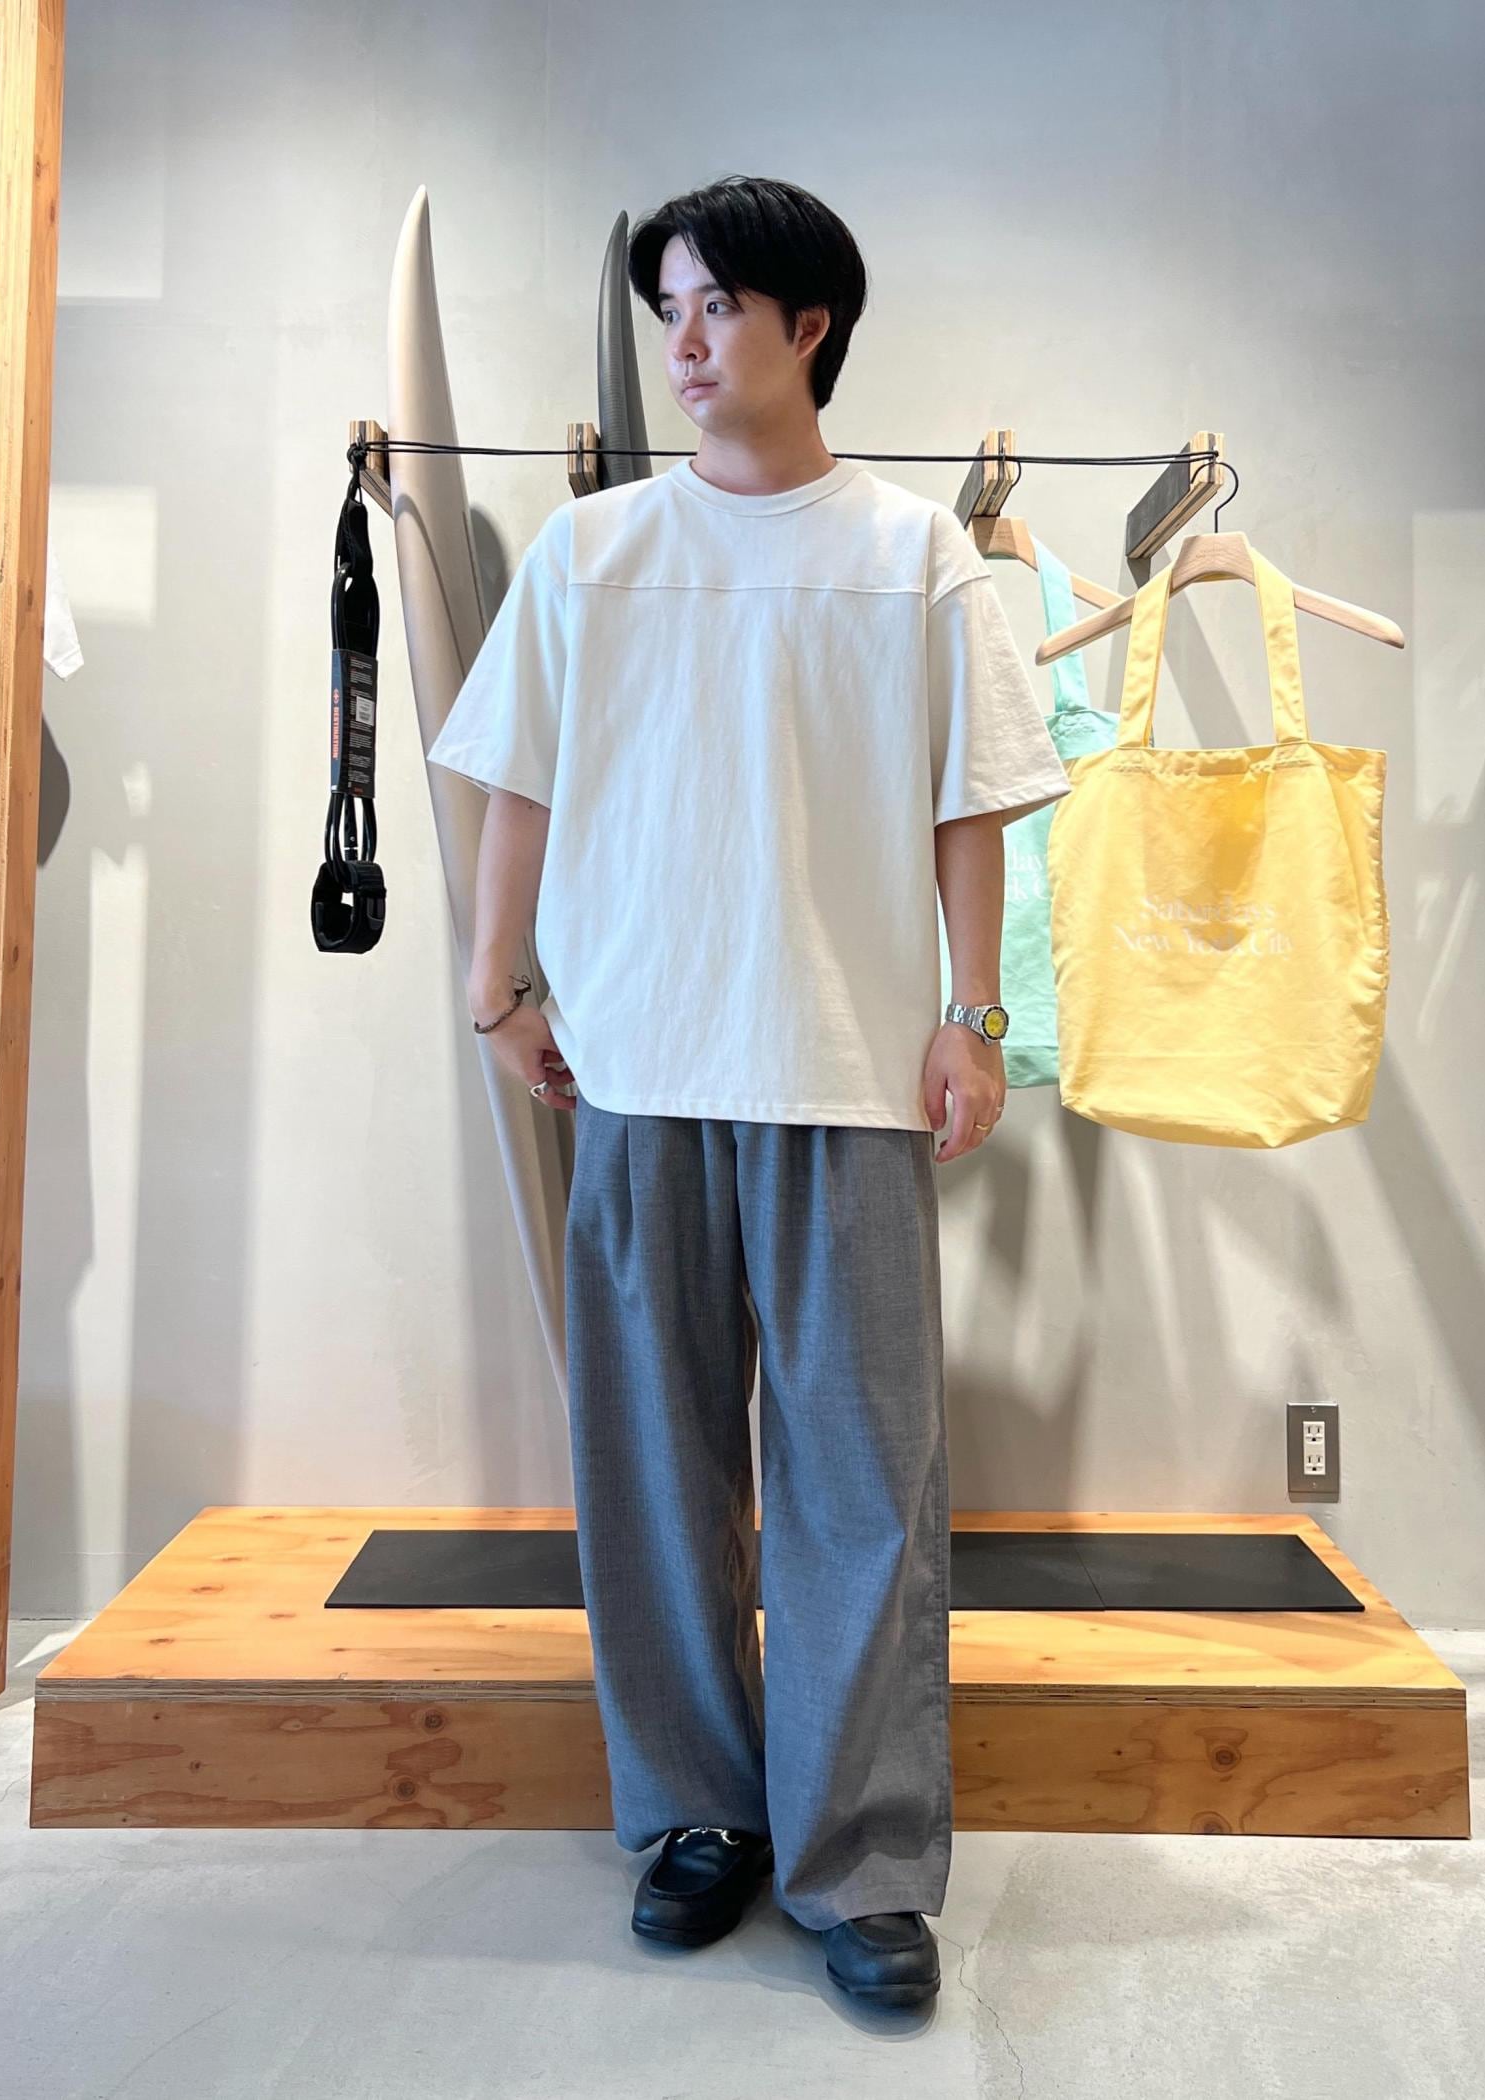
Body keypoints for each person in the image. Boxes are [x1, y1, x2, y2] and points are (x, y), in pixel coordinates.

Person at [426, 174, 1072, 2011]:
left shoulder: (916, 554)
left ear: (811, 325)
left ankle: (861, 1862)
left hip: (848, 1073)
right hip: (637, 1067)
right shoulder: (593, 554)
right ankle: (697, 1812)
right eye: (670, 311)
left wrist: (974, 1016)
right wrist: (496, 983)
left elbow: (970, 801)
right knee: (656, 1473)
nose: (687, 343)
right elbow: (519, 781)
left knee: (864, 1484)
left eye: (718, 305)